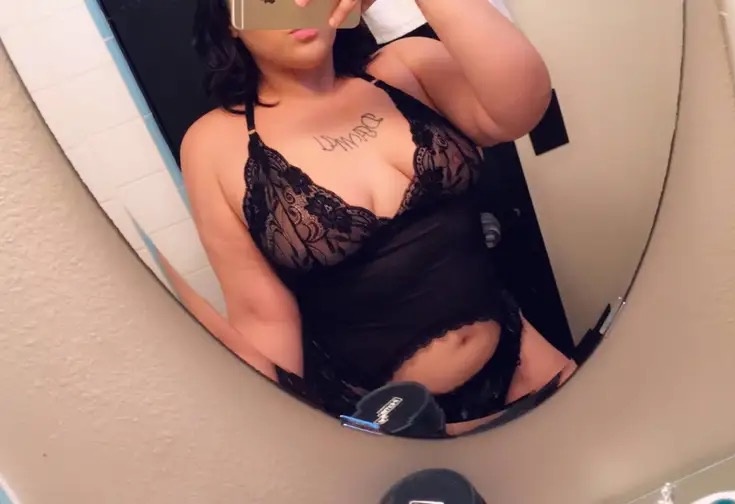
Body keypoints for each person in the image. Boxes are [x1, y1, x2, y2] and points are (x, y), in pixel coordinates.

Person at [182, 0, 577, 435]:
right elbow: (264, 317)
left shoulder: (407, 66)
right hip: (396, 429)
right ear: (230, 22)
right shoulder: (213, 145)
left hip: (523, 358)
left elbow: (521, 108)